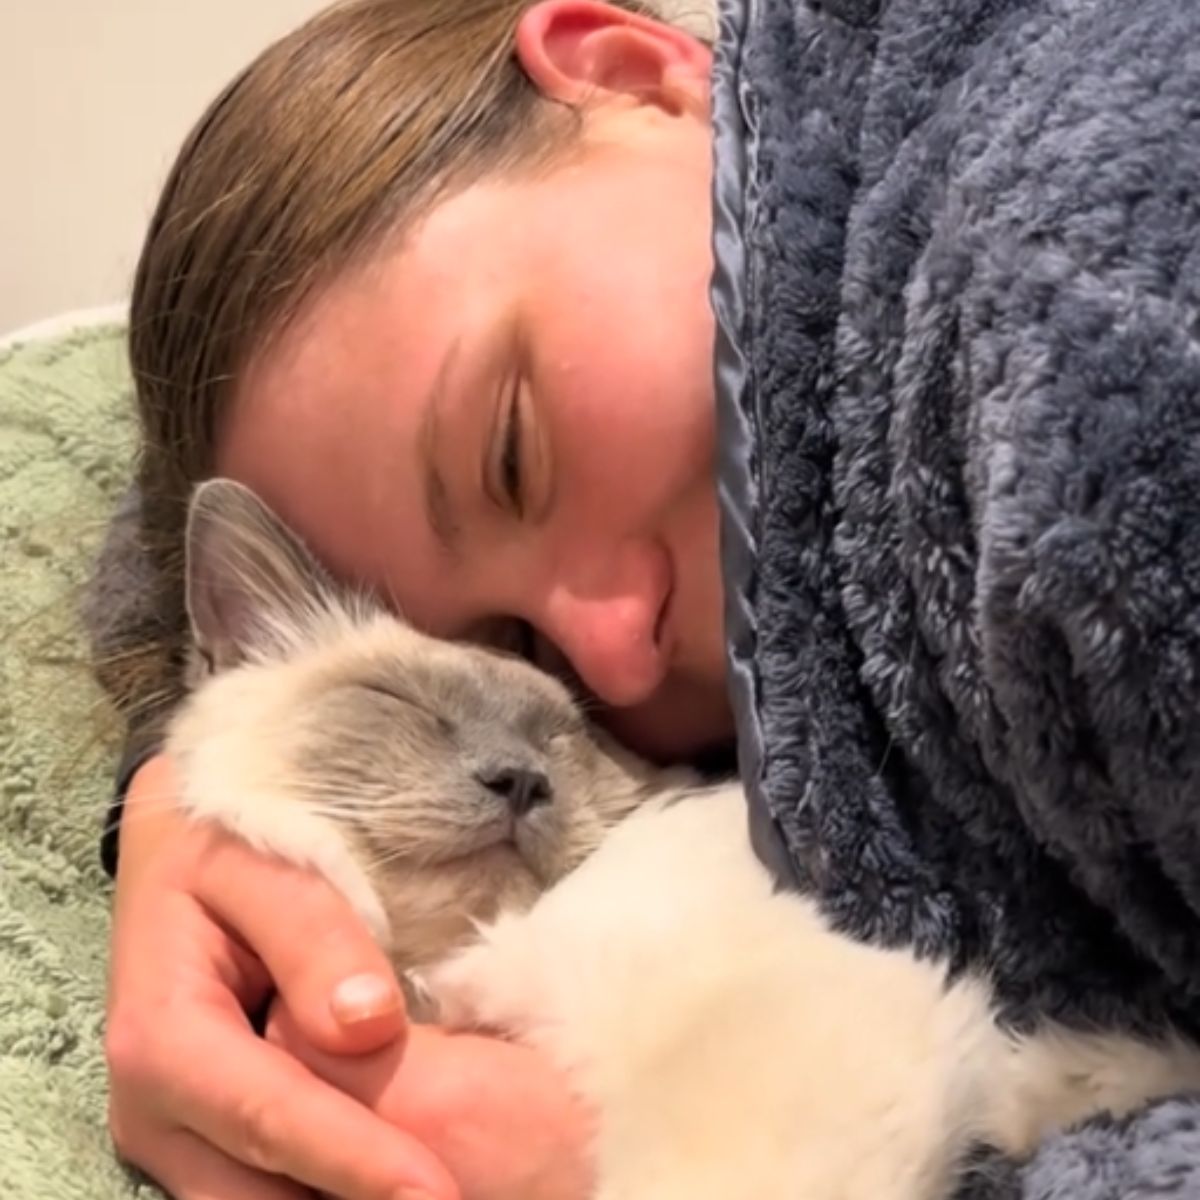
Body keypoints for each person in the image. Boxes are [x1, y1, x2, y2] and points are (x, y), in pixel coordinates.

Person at [86, 0, 1200, 1196]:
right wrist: (189, 795)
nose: (609, 656)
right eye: (517, 651)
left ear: (629, 69)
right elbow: (157, 549)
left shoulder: (1087, 313)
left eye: (512, 455)